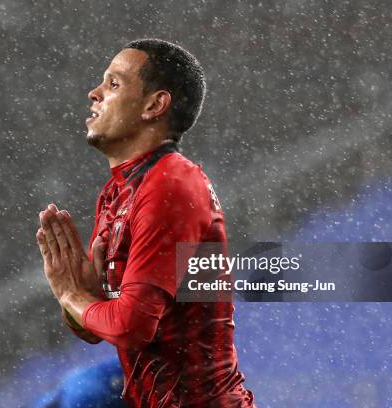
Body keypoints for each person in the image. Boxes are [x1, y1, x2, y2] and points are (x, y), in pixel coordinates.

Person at [37, 39, 255, 407]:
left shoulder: (171, 183)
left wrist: (73, 296)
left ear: (155, 105)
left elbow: (130, 326)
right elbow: (99, 328)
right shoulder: (117, 193)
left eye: (114, 84)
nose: (94, 93)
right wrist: (86, 298)